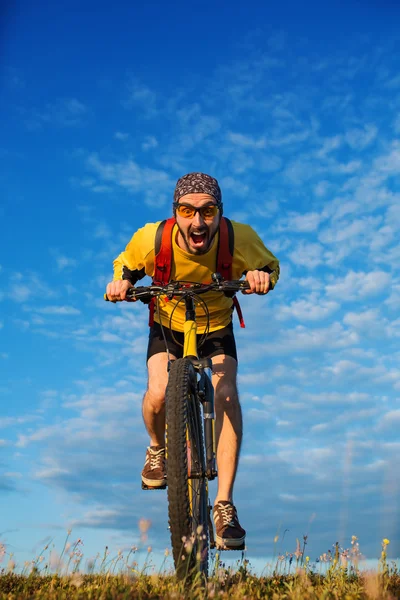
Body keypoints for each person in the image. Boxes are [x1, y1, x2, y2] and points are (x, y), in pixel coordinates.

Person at [106, 172, 280, 550]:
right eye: (187, 211)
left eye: (208, 211)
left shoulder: (239, 239)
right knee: (158, 391)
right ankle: (157, 448)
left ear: (219, 214)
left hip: (216, 325)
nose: (197, 221)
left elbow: (270, 267)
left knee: (227, 395)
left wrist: (260, 277)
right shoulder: (153, 239)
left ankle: (224, 504)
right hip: (168, 324)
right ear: (175, 212)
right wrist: (120, 283)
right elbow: (126, 266)